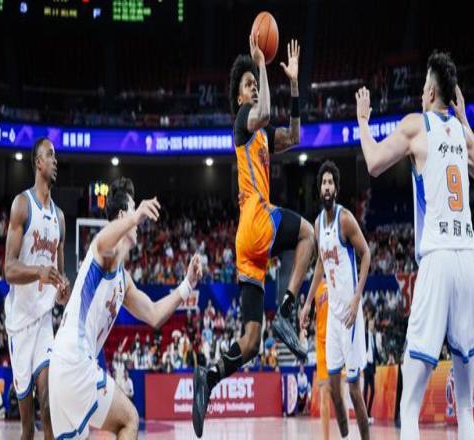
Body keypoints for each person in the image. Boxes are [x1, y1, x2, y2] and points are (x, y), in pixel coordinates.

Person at [192, 33, 315, 439]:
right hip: (257, 218)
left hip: (247, 243)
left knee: (249, 342)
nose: (254, 88)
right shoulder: (244, 120)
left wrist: (293, 86)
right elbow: (261, 111)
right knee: (308, 235)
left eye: (255, 83)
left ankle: (209, 377)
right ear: (240, 95)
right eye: (248, 84)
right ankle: (288, 310)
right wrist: (260, 62)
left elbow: (295, 136)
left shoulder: (261, 133)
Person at [356, 51, 474, 440]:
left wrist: (363, 122)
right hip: (469, 259)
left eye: (423, 87)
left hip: (438, 257)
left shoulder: (416, 125)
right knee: (465, 408)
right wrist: (465, 123)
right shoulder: (462, 135)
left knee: (409, 406)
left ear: (429, 92)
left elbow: (374, 162)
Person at [48, 177, 202, 439]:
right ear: (122, 216)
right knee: (129, 419)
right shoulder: (104, 252)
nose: (139, 224)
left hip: (63, 367)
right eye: (132, 210)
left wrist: (187, 285)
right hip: (75, 359)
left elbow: (154, 314)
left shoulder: (123, 279)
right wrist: (136, 216)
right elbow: (102, 241)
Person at [4, 137, 70, 440]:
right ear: (38, 162)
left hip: (44, 321)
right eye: (50, 155)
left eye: (56, 156)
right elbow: (8, 269)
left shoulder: (60, 218)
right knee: (28, 428)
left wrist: (62, 290)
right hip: (19, 323)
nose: (55, 160)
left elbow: (59, 278)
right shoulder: (22, 205)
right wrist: (39, 272)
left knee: (49, 405)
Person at [300, 161, 371, 439]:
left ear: (336, 189)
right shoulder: (318, 224)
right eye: (323, 183)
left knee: (353, 391)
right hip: (332, 318)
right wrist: (307, 303)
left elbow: (366, 254)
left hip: (350, 317)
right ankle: (344, 437)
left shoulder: (345, 219)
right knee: (332, 389)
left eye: (331, 182)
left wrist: (357, 298)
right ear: (319, 189)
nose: (327, 187)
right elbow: (320, 265)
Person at [300, 278, 330, 439]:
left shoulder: (339, 278)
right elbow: (309, 316)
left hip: (338, 342)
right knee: (324, 396)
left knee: (340, 395)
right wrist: (305, 321)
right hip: (322, 345)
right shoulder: (315, 286)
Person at [364, 318, 378, 424]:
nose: (372, 325)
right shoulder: (365, 335)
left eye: (373, 324)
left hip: (372, 366)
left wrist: (380, 360)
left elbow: (375, 351)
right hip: (366, 365)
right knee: (365, 390)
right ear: (368, 324)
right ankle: (365, 413)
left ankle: (368, 411)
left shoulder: (373, 336)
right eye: (370, 324)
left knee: (373, 390)